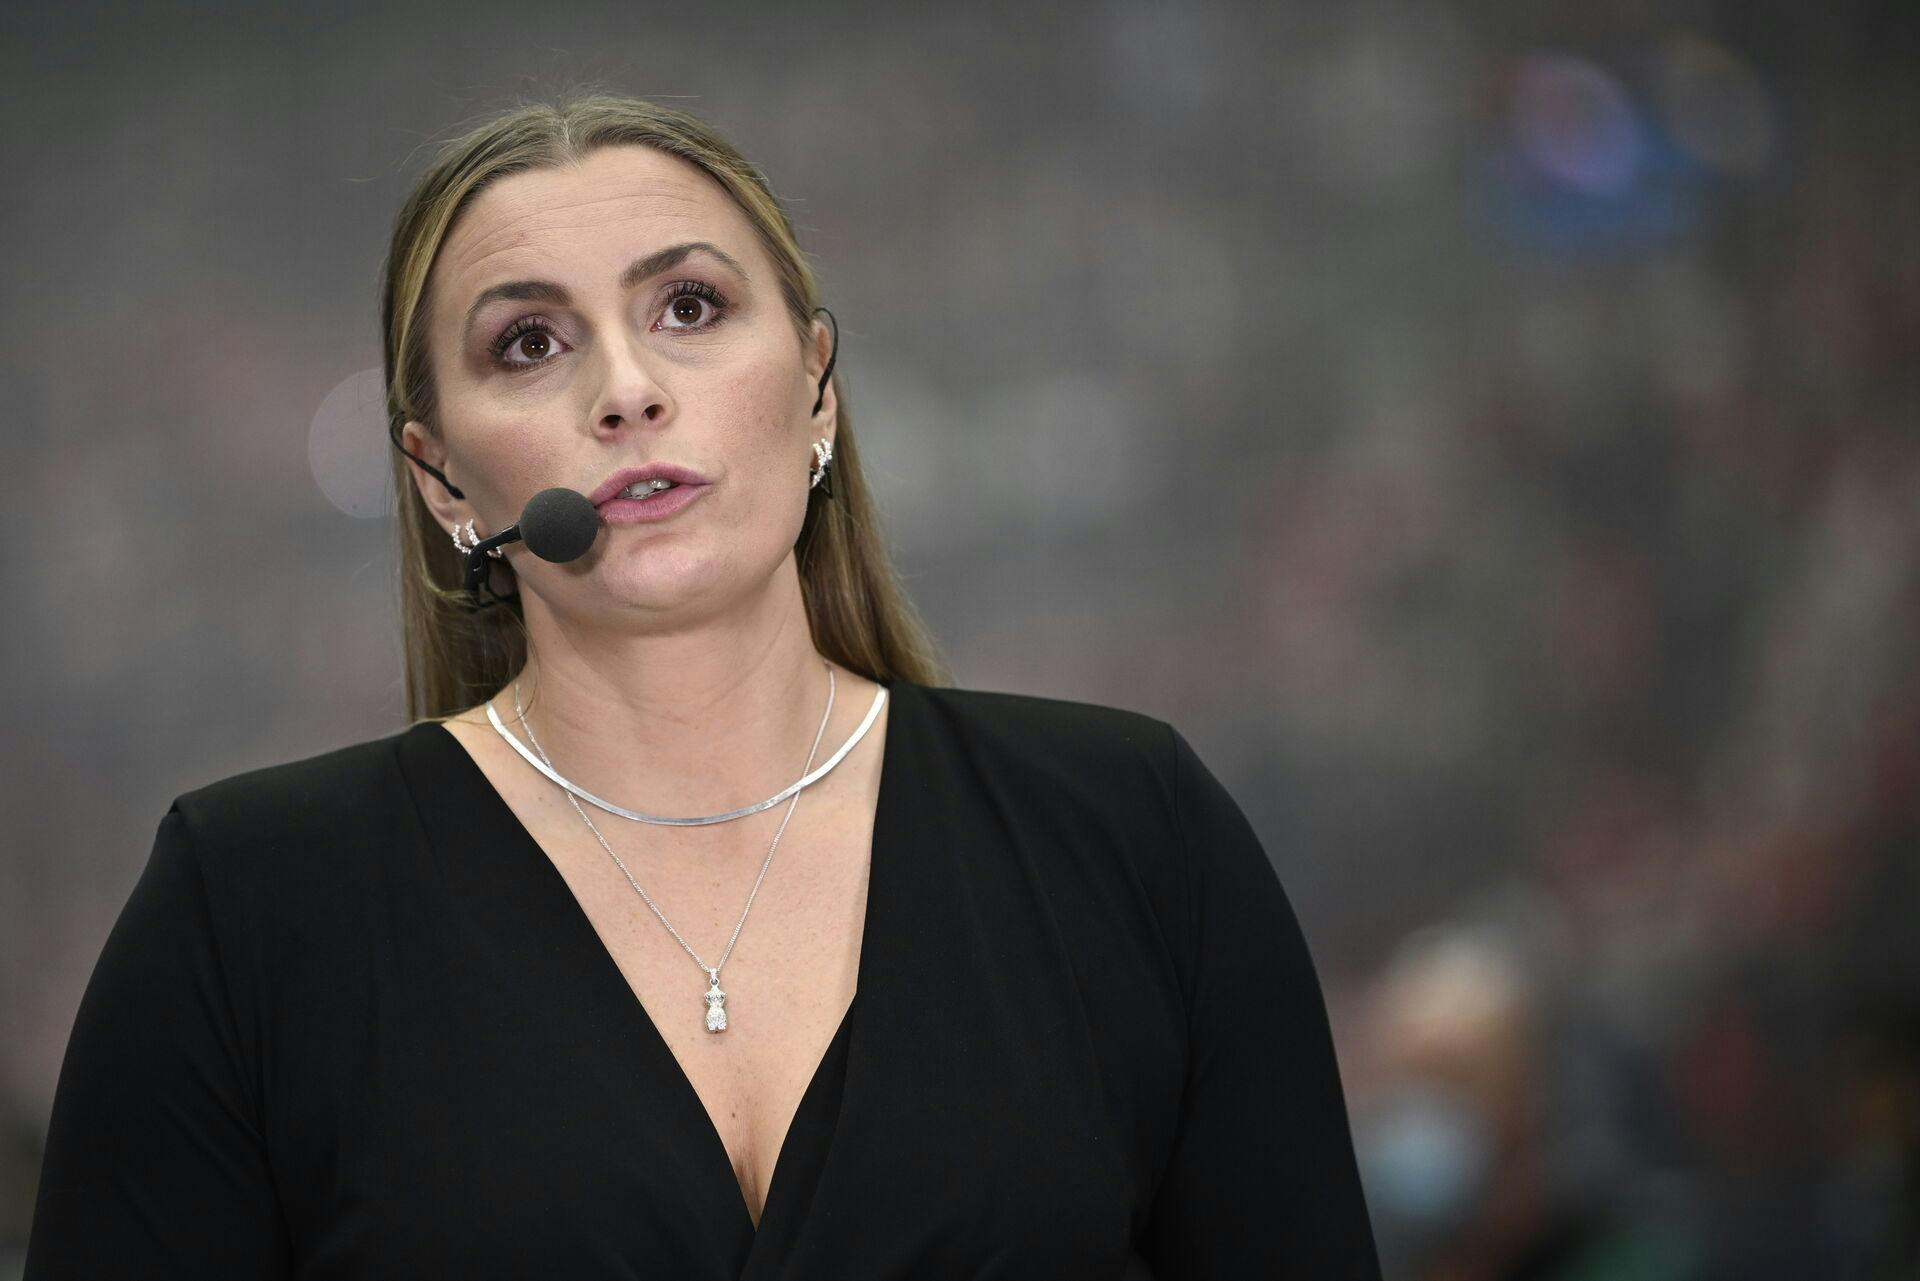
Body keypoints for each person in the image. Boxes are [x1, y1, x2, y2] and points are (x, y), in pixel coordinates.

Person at [24, 94, 1381, 1279]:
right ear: (441, 481)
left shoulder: (1132, 830)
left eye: (690, 308)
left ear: (818, 388)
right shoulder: (247, 907)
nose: (627, 392)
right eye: (529, 344)